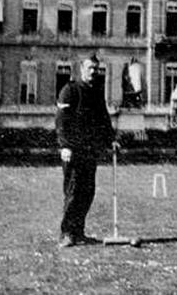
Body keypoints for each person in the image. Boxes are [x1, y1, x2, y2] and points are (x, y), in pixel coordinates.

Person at [55, 55, 117, 248]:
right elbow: (61, 121)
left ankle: (79, 232)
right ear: (81, 68)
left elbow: (104, 119)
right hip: (73, 151)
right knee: (73, 191)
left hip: (90, 150)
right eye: (90, 68)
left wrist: (112, 139)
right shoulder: (70, 90)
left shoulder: (96, 92)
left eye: (96, 69)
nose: (93, 72)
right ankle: (66, 233)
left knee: (87, 192)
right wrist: (64, 145)